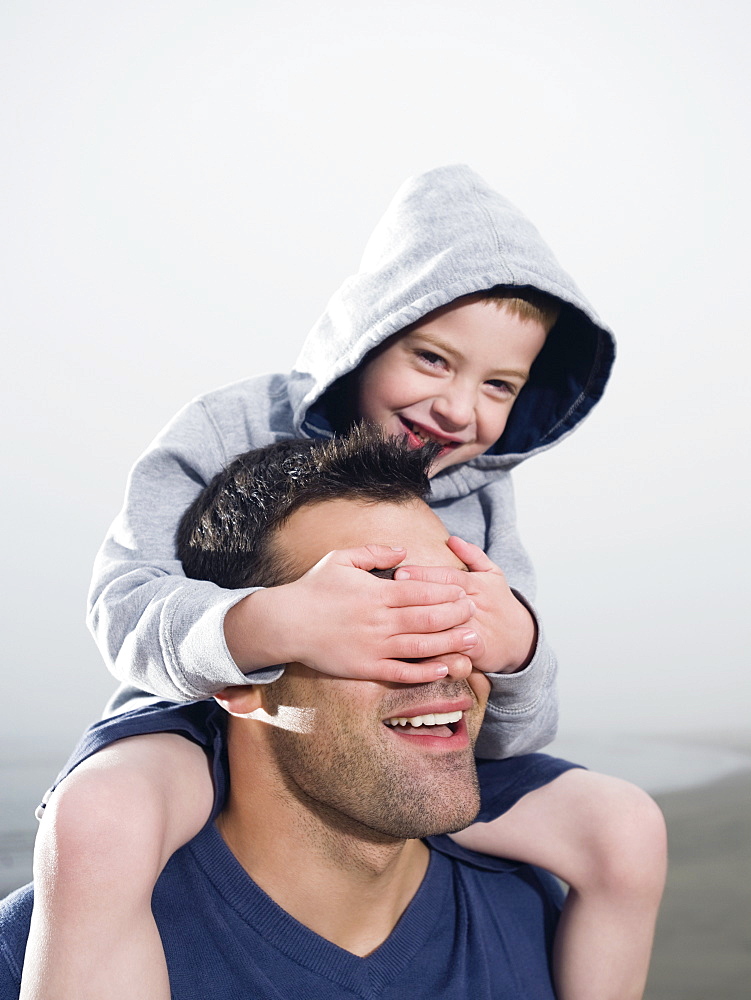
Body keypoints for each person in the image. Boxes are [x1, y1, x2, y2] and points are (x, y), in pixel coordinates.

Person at [19, 167, 666, 999]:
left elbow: (513, 732)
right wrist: (277, 624)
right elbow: (121, 602)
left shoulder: (483, 496)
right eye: (432, 359)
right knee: (98, 823)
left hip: (413, 743)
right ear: (367, 334)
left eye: (498, 386)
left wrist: (517, 648)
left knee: (625, 829)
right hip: (196, 720)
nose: (457, 407)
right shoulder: (230, 426)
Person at [5, 431, 648, 998]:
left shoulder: (532, 913)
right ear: (238, 675)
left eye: (459, 616)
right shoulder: (49, 952)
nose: (448, 663)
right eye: (384, 622)